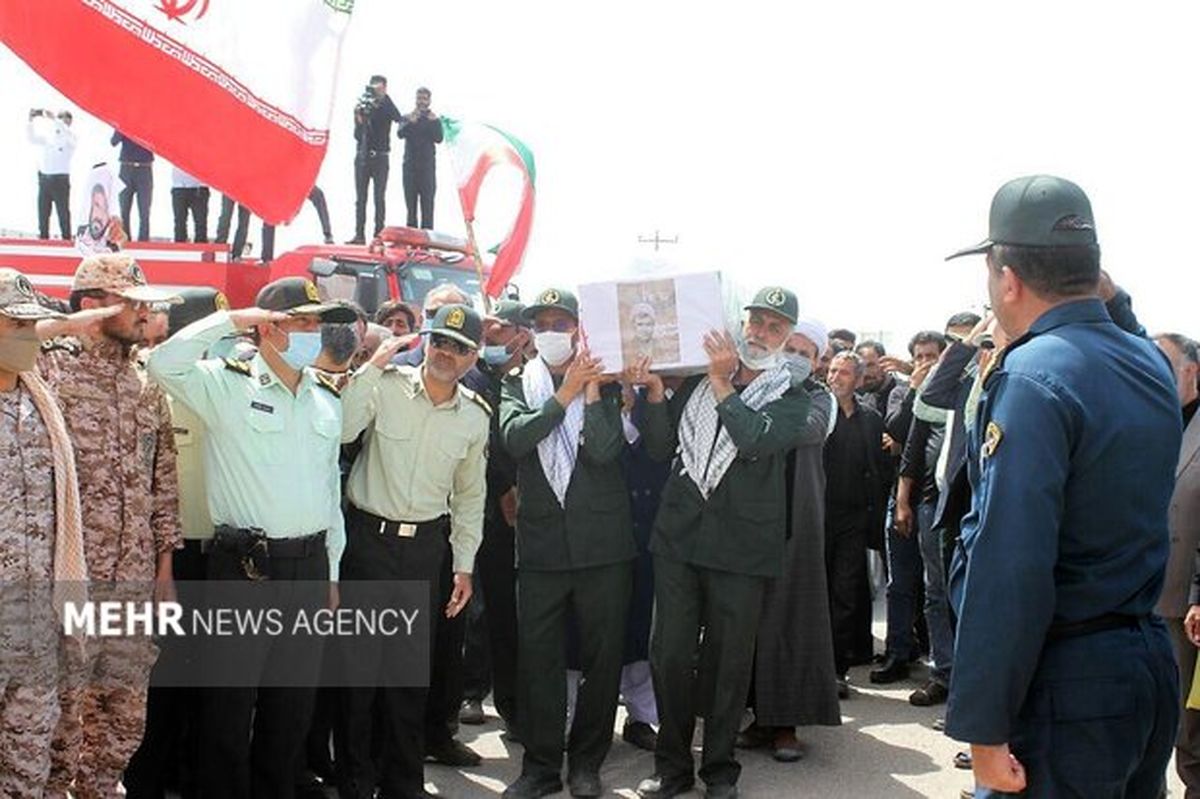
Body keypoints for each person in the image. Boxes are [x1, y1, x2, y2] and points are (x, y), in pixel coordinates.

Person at [944, 175, 1180, 797]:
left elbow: (1009, 563)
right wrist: (1100, 286)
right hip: (1144, 665)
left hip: (1068, 684)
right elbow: (1123, 326)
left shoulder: (1032, 375)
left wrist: (984, 728)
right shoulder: (1149, 361)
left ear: (1008, 279)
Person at [146, 276, 354, 799]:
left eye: (317, 323)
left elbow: (331, 494)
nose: (315, 332)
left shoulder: (325, 397)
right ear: (269, 328)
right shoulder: (226, 385)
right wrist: (232, 320)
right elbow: (162, 363)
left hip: (308, 568)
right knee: (228, 707)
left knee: (291, 707)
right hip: (245, 569)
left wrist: (330, 573)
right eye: (304, 322)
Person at [634, 287, 812, 799]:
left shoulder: (794, 396)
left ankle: (718, 769)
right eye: (755, 321)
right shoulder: (695, 379)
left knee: (727, 663)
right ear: (741, 322)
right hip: (679, 537)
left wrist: (719, 382)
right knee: (668, 654)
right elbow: (660, 446)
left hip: (742, 548)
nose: (760, 332)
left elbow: (755, 439)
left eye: (774, 327)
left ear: (787, 339)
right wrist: (653, 396)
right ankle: (671, 768)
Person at [40, 254, 183, 798]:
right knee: (60, 724)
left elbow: (162, 478)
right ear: (93, 306)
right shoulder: (51, 369)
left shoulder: (145, 384)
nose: (145, 311)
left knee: (122, 725)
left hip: (132, 582)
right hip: (68, 581)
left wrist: (165, 565)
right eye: (132, 300)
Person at [338, 303, 489, 798]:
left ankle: (403, 782)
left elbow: (470, 496)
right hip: (367, 543)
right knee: (358, 676)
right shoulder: (384, 385)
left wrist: (464, 566)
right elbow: (341, 430)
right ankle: (356, 781)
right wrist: (372, 365)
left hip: (425, 549)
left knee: (407, 677)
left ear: (473, 356)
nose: (446, 353)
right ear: (426, 341)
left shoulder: (474, 416)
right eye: (440, 341)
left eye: (459, 347)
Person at [500, 287, 635, 799]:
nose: (551, 332)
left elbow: (604, 450)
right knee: (539, 662)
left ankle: (586, 763)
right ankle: (538, 767)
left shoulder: (603, 380)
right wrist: (564, 393)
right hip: (541, 550)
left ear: (580, 328)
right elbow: (515, 439)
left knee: (602, 662)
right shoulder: (517, 383)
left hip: (604, 548)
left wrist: (592, 390)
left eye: (561, 322)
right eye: (543, 324)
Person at [124, 287, 228, 799]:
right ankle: (147, 779)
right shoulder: (148, 382)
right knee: (161, 679)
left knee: (212, 684)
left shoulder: (234, 380)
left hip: (226, 553)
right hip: (170, 557)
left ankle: (194, 776)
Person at [0, 268, 88, 798]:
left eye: (34, 326)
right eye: (16, 323)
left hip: (35, 625)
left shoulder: (40, 402)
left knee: (29, 766)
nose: (29, 337)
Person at [741, 318, 841, 762]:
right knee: (752, 624)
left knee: (793, 622)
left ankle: (786, 726)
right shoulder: (757, 387)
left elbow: (806, 429)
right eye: (792, 350)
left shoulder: (820, 398)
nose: (798, 358)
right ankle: (758, 719)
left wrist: (761, 420)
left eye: (807, 353)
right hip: (749, 522)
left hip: (796, 525)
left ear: (819, 362)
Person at [460, 300, 531, 732]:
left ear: (523, 336)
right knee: (481, 613)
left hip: (529, 519)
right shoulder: (475, 377)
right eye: (487, 332)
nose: (492, 340)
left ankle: (517, 704)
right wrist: (505, 487)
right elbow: (482, 444)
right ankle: (475, 694)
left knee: (513, 617)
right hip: (484, 513)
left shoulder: (532, 381)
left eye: (500, 331)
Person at [871, 330, 949, 689]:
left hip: (940, 501)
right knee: (900, 583)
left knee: (938, 588)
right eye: (918, 357)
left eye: (931, 356)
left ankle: (942, 661)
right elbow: (896, 429)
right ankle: (898, 653)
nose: (924, 363)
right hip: (903, 498)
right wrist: (917, 389)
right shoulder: (903, 392)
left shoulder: (953, 393)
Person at [822, 350, 889, 697]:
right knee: (813, 594)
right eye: (833, 370)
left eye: (844, 372)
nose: (835, 377)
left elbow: (878, 468)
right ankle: (809, 668)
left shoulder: (871, 419)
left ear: (859, 380)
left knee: (845, 593)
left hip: (853, 520)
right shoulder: (816, 412)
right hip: (815, 517)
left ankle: (836, 669)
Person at [1154, 333, 1200, 794]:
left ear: (1193, 371)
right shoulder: (1149, 421)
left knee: (1191, 732)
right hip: (1145, 596)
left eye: (1165, 364)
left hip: (1187, 602)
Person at [349, 75, 404, 243]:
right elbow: (358, 136)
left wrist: (383, 98)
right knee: (361, 199)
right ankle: (359, 235)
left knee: (379, 198)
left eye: (378, 87)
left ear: (384, 88)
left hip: (380, 157)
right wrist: (358, 119)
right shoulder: (365, 105)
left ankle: (378, 235)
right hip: (363, 155)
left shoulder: (387, 104)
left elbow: (398, 117)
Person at [397, 87, 443, 230]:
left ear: (429, 101)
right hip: (410, 168)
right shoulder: (406, 117)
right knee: (411, 208)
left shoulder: (434, 119)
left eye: (424, 99)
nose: (421, 102)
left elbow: (439, 138)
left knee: (427, 207)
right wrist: (411, 121)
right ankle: (410, 245)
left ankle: (426, 246)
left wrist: (435, 122)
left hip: (427, 169)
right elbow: (400, 134)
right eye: (419, 98)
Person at [27, 108, 75, 239]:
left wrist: (55, 119)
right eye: (60, 118)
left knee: (63, 213)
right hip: (44, 179)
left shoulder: (70, 138)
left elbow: (65, 133)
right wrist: (30, 120)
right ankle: (43, 239)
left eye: (64, 118)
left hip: (60, 180)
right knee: (43, 213)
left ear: (69, 122)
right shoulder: (49, 138)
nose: (61, 121)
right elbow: (32, 139)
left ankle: (66, 240)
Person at [261, 186, 335, 262]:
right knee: (270, 213)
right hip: (280, 184)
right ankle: (267, 257)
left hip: (296, 181)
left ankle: (328, 234)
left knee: (318, 194)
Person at [111, 129, 155, 241]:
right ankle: (125, 240)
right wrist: (122, 127)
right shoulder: (124, 123)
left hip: (145, 168)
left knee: (144, 210)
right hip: (126, 168)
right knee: (124, 208)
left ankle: (144, 241)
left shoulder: (150, 124)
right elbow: (113, 142)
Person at [170, 167, 210, 243]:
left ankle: (200, 249)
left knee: (201, 223)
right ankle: (180, 251)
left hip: (200, 187)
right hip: (179, 186)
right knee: (179, 223)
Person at [215, 194, 253, 259]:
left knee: (244, 221)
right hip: (231, 188)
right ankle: (219, 247)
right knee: (225, 216)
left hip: (247, 190)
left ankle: (237, 254)